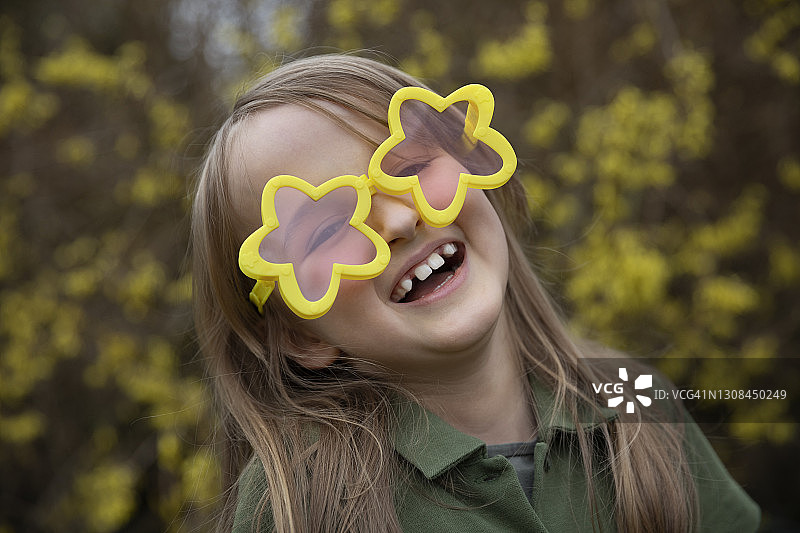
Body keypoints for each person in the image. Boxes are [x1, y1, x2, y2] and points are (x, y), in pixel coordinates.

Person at [191, 54, 760, 532]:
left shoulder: (634, 404)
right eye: (329, 228)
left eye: (412, 166)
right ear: (300, 334)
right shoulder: (300, 501)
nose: (398, 220)